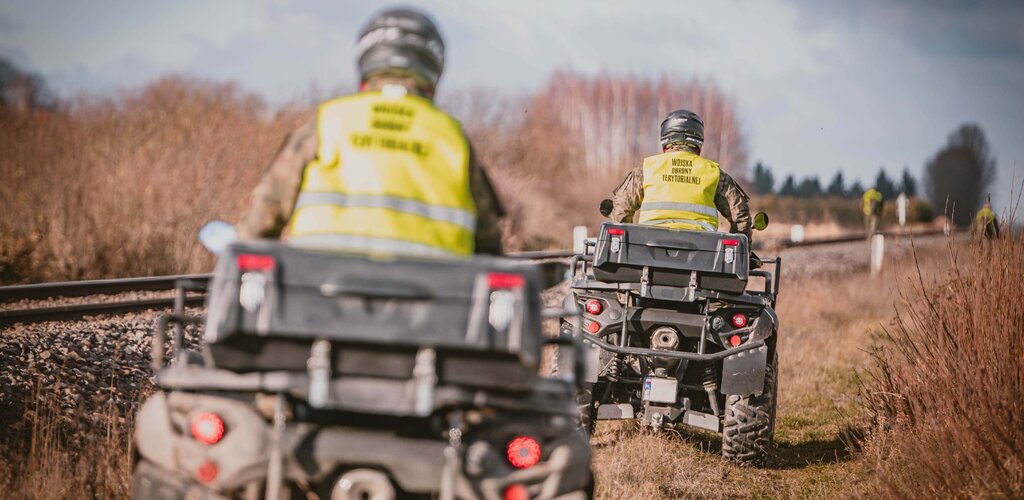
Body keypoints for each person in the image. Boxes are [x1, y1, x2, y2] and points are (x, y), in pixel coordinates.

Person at [237, 7, 504, 257]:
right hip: (432, 298)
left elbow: (265, 213)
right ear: (434, 70)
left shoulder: (329, 122)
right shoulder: (452, 138)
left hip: (319, 293)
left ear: (365, 62)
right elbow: (488, 241)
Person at [608, 109, 752, 238]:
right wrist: (741, 252)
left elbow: (622, 207)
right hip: (703, 253)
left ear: (665, 142)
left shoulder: (647, 168)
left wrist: (624, 243)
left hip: (649, 245)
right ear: (699, 145)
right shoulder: (713, 172)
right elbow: (740, 216)